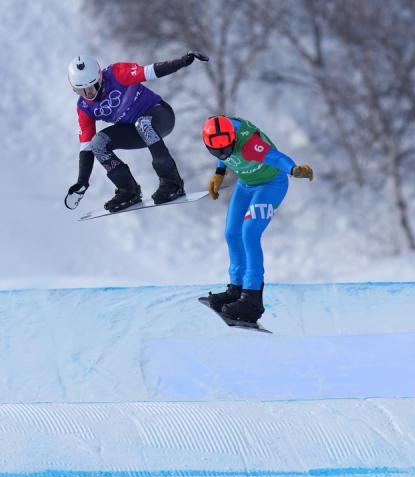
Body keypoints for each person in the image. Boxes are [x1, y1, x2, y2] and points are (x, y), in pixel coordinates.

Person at [202, 115, 314, 323]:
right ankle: (236, 289)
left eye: (227, 148)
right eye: (218, 151)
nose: (224, 153)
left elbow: (276, 157)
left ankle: (252, 300)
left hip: (271, 185)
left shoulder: (250, 146)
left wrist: (293, 168)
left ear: (233, 138)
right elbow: (223, 153)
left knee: (250, 233)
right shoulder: (221, 135)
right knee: (232, 233)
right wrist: (219, 171)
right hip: (245, 184)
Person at [64, 51, 208, 212]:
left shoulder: (116, 74)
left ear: (100, 78)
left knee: (143, 123)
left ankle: (172, 183)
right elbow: (86, 147)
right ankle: (128, 191)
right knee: (98, 143)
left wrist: (182, 61)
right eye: (80, 91)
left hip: (160, 116)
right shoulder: (84, 107)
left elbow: (151, 71)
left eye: (92, 87)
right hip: (135, 130)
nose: (88, 95)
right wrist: (82, 181)